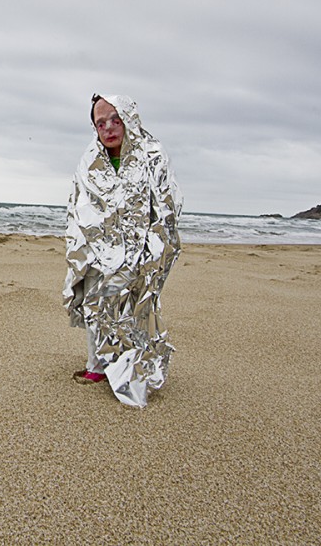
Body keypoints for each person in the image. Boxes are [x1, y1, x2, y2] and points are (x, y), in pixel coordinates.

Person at [63, 93, 182, 408]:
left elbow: (166, 208)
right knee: (94, 304)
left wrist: (153, 252)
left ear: (129, 119)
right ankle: (96, 365)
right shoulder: (89, 160)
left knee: (131, 309)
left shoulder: (152, 155)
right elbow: (78, 207)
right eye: (100, 123)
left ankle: (133, 364)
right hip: (97, 250)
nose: (109, 128)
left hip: (140, 250)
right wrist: (83, 249)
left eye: (116, 120)